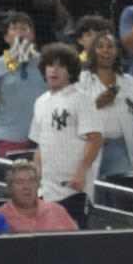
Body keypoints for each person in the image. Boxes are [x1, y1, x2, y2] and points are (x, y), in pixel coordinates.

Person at [30, 44, 103, 229]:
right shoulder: (40, 102)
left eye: (61, 66)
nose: (54, 70)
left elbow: (95, 139)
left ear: (71, 71)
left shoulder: (82, 100)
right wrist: (34, 178)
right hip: (46, 189)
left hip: (73, 188)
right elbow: (40, 145)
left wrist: (81, 173)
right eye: (50, 65)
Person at [0, 13, 48, 158]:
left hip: (42, 134)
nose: (20, 32)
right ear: (6, 37)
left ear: (32, 35)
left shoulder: (46, 63)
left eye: (24, 28)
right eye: (14, 28)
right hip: (9, 134)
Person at [77, 31, 133, 178]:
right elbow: (72, 113)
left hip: (119, 146)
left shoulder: (130, 82)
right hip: (87, 146)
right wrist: (97, 104)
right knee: (91, 195)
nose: (105, 50)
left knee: (119, 194)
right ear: (93, 51)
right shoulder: (79, 81)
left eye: (110, 46)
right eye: (100, 46)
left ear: (117, 51)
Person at [0, 160, 79, 232]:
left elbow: (75, 241)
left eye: (31, 181)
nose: (26, 187)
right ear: (10, 188)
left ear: (38, 185)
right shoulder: (0, 217)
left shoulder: (57, 210)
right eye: (20, 182)